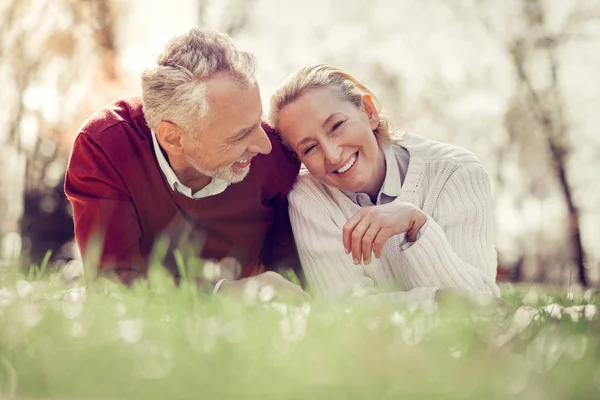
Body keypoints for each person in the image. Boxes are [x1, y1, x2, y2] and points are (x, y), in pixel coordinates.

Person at [64, 29, 308, 302]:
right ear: (174, 138)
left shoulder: (277, 154)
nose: (264, 145)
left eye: (258, 121)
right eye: (240, 134)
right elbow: (113, 288)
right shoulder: (104, 146)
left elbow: (294, 277)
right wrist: (225, 294)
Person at [268, 64, 500, 304]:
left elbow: (482, 304)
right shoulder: (308, 196)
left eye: (336, 126)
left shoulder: (456, 171)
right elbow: (346, 312)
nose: (333, 155)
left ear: (369, 112)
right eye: (309, 148)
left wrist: (417, 225)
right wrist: (437, 301)